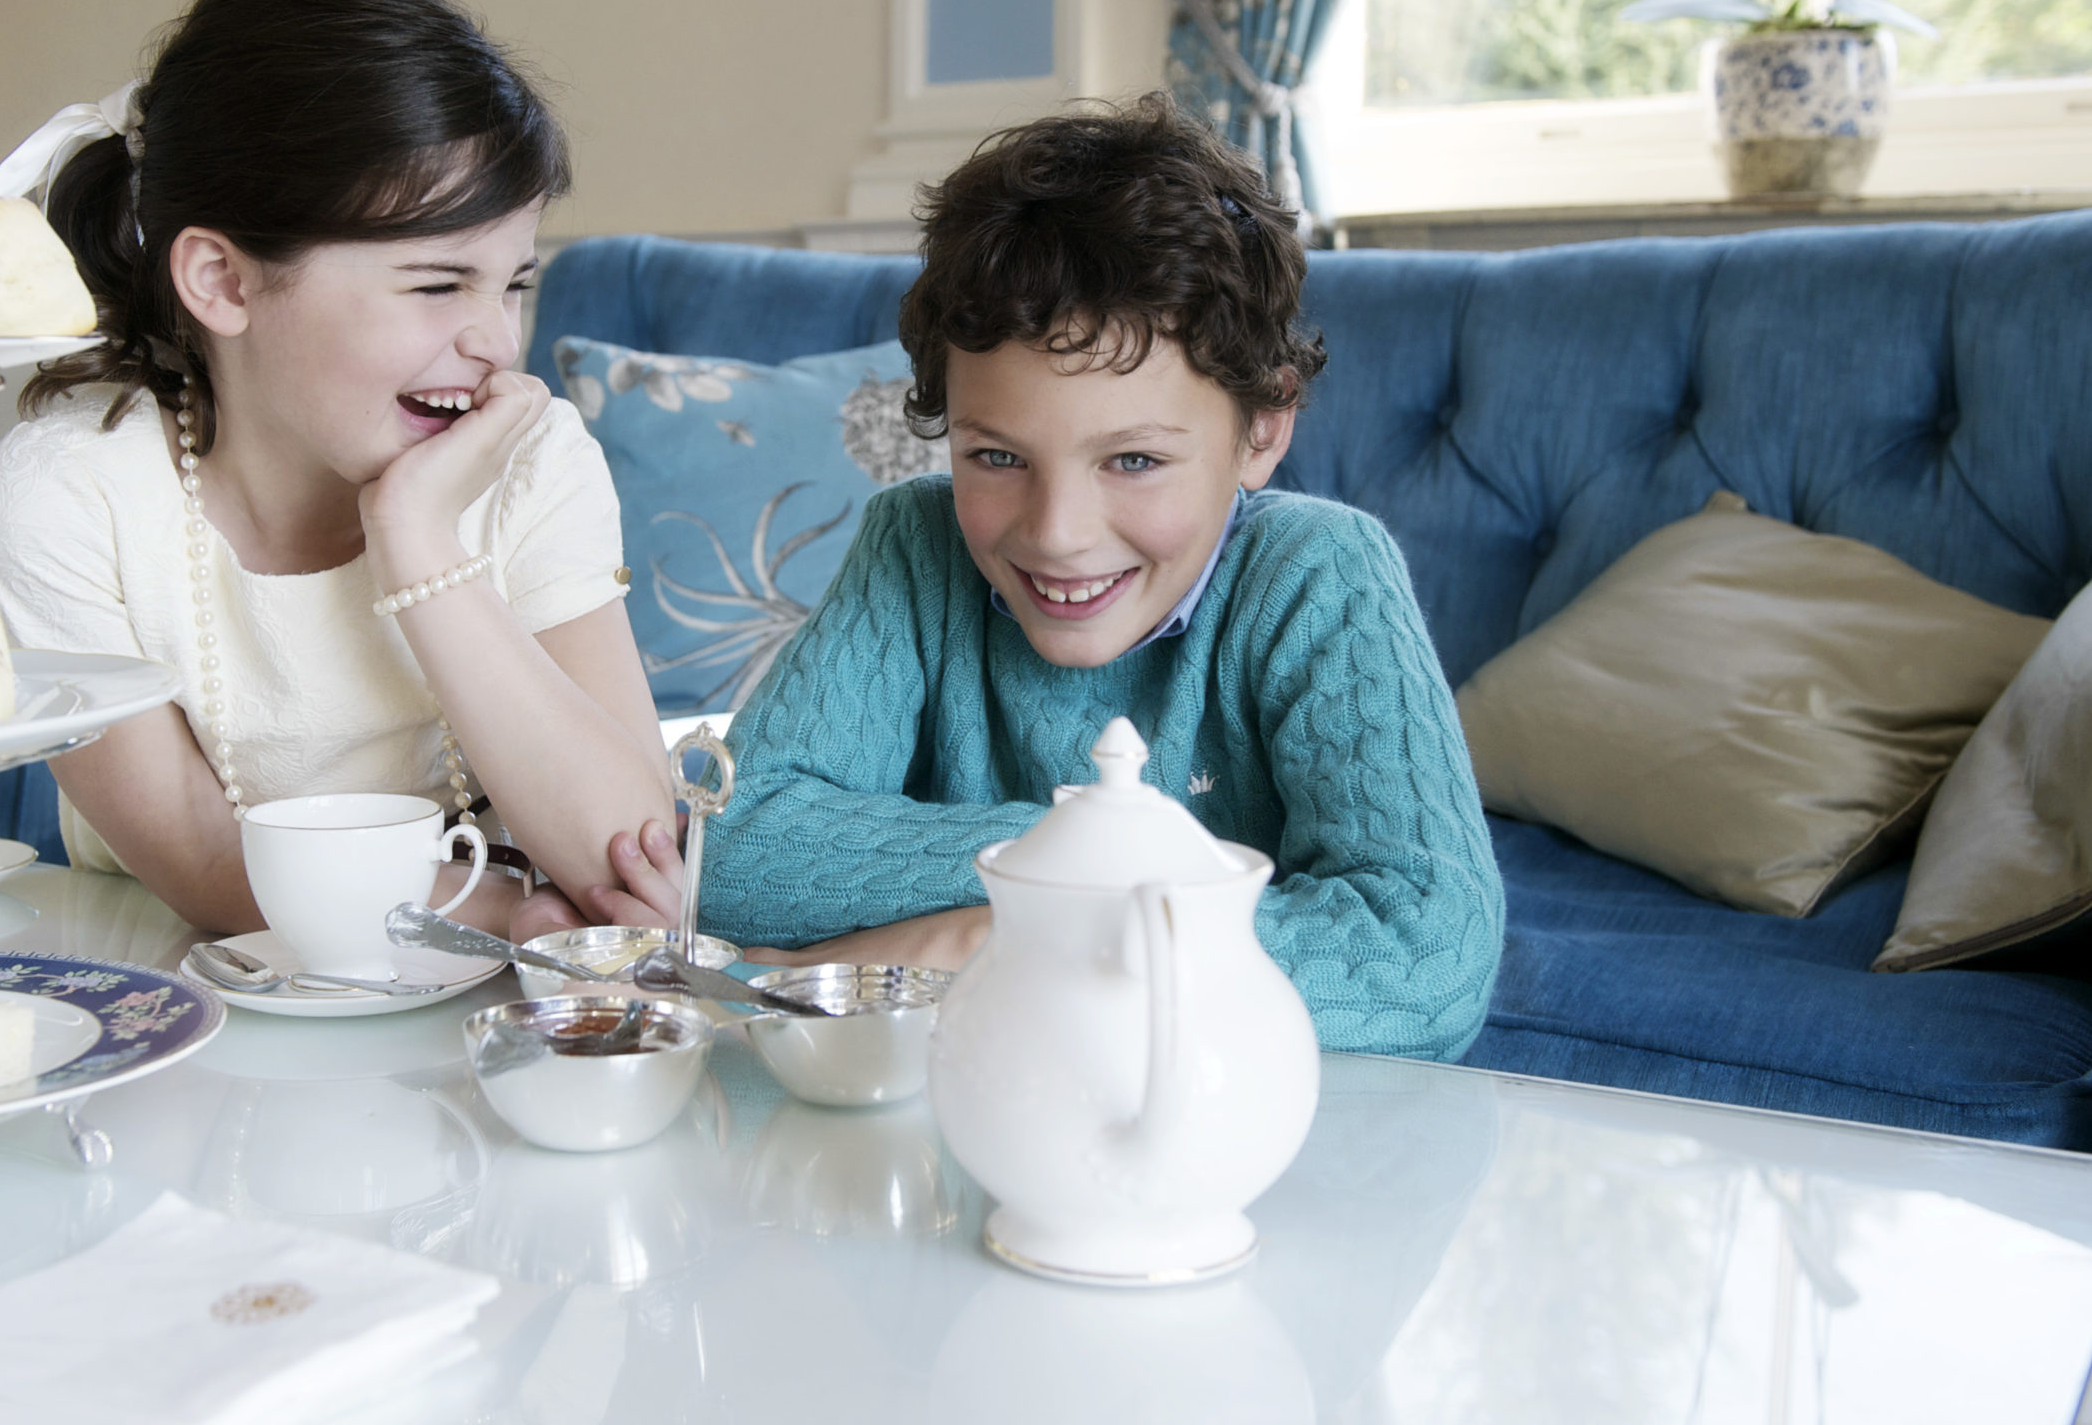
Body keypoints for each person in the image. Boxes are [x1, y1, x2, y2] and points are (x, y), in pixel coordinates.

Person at [592, 96, 1503, 1060]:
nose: (1057, 535)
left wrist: (972, 942)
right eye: (996, 457)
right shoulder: (915, 545)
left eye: (1134, 460)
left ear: (1264, 428)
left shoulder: (1320, 573)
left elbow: (1424, 961)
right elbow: (735, 850)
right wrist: (1081, 874)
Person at [0, 0, 670, 937]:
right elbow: (202, 860)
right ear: (223, 282)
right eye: (438, 285)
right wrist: (507, 914)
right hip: (189, 987)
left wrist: (419, 542)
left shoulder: (528, 456)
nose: (495, 341)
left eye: (513, 283)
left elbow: (631, 858)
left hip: (475, 993)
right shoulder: (65, 494)